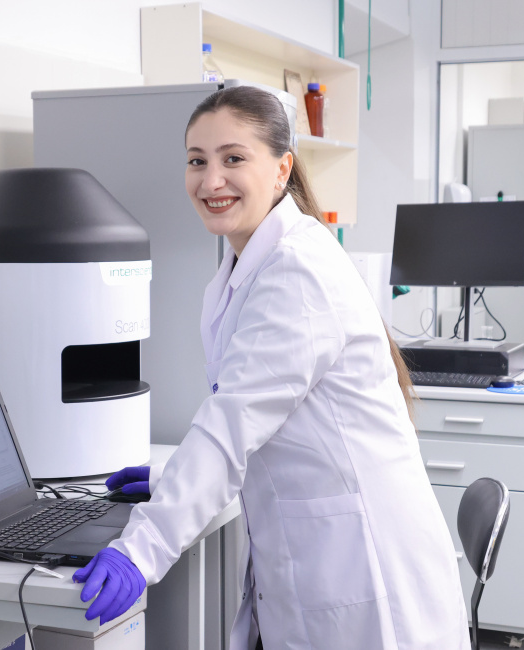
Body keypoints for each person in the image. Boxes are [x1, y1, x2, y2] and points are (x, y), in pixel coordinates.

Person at [73, 86, 470, 649]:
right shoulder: (245, 269)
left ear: (282, 169)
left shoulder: (296, 273)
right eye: (197, 161)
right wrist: (172, 481)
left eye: (233, 158)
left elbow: (231, 425)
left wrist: (141, 548)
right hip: (322, 551)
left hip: (368, 568)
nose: (211, 180)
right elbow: (256, 420)